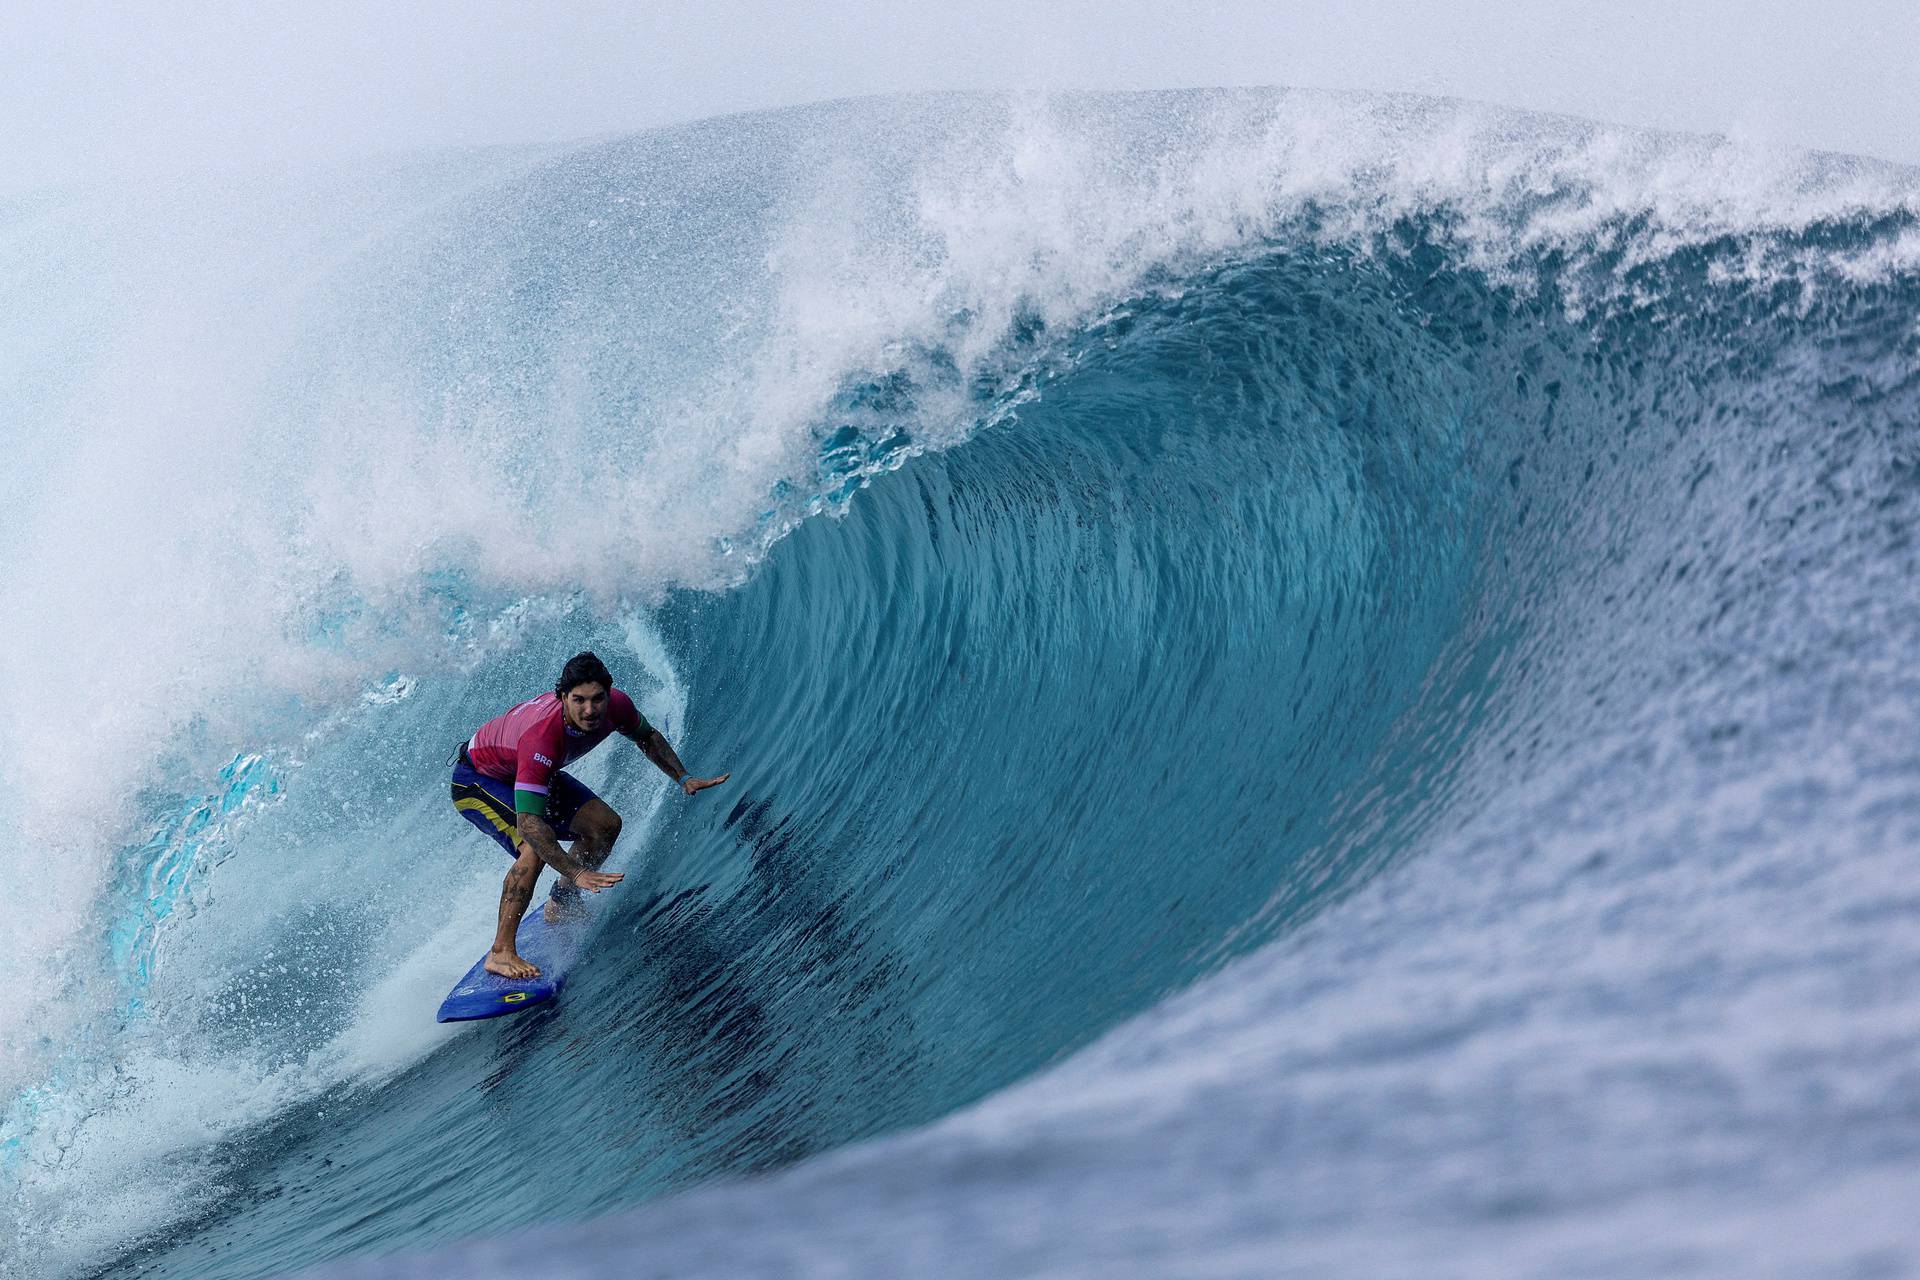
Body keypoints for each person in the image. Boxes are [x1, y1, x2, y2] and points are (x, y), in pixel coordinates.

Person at [451, 651, 728, 979]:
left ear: (609, 695)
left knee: (604, 825)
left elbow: (648, 737)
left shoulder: (617, 707)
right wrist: (576, 870)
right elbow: (529, 823)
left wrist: (683, 777)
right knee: (534, 847)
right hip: (479, 779)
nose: (590, 710)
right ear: (563, 697)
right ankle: (501, 952)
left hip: (527, 772)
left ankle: (561, 902)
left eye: (598, 699)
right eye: (579, 700)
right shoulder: (542, 737)